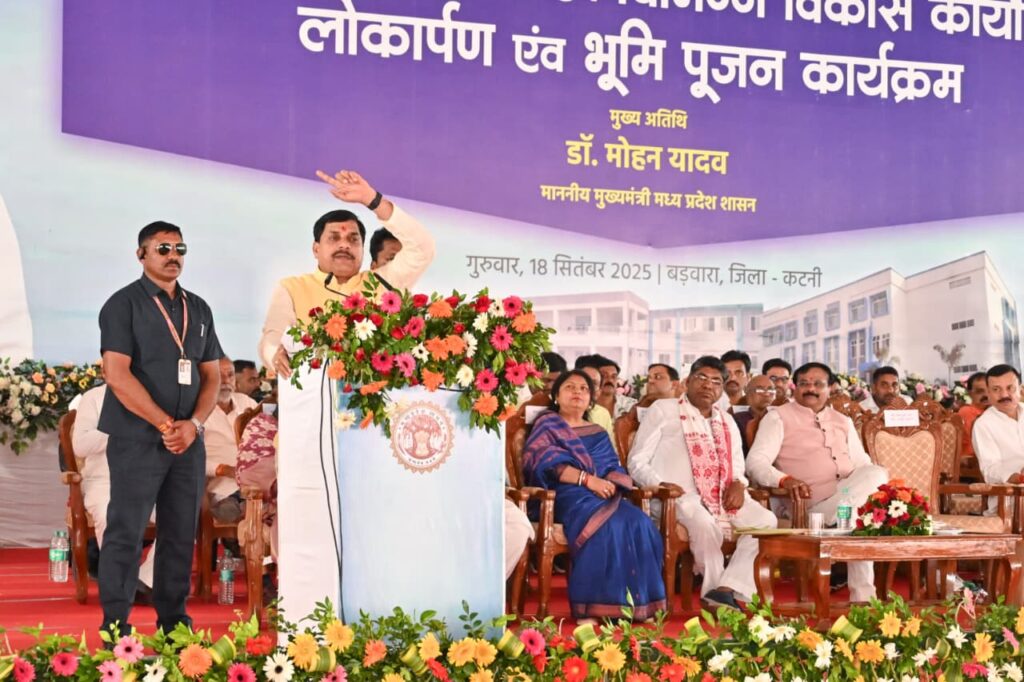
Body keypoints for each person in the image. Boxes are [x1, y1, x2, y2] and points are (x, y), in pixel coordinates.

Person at [97, 220, 223, 636]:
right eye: (163, 248)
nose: (173, 256)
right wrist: (167, 424)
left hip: (188, 442)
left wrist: (194, 425)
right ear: (141, 255)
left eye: (179, 249)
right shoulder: (123, 305)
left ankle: (174, 625)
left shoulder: (198, 308)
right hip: (137, 438)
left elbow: (212, 376)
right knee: (126, 532)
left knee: (180, 535)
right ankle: (116, 627)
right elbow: (116, 374)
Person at [629, 356, 777, 609]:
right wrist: (661, 484)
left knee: (766, 522)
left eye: (716, 382)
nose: (708, 385)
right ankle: (715, 596)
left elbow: (737, 465)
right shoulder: (664, 410)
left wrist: (738, 484)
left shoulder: (726, 420)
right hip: (677, 497)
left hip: (721, 496)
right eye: (702, 378)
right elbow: (636, 461)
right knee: (704, 523)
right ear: (687, 381)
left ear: (722, 389)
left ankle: (726, 588)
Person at [261, 170, 435, 376]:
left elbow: (423, 249)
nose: (344, 245)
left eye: (353, 239)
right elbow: (273, 337)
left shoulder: (383, 282)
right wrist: (275, 355)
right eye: (334, 238)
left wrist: (372, 200)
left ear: (362, 249)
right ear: (316, 249)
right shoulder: (291, 288)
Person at [522, 370, 666, 620]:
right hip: (565, 494)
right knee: (604, 525)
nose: (577, 392)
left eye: (584, 389)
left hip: (603, 493)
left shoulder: (598, 431)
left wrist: (610, 483)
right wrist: (588, 480)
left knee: (639, 522)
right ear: (556, 395)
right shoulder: (548, 425)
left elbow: (612, 466)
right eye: (570, 387)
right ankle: (593, 607)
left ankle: (639, 605)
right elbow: (545, 463)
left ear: (591, 399)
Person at [746, 362, 888, 603]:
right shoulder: (778, 417)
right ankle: (864, 599)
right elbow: (755, 462)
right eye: (804, 383)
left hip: (844, 498)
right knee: (859, 514)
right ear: (795, 387)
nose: (810, 389)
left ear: (830, 388)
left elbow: (862, 465)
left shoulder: (842, 420)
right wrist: (784, 479)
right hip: (807, 506)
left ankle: (863, 598)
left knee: (876, 475)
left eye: (818, 384)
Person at [71, 382, 155, 596]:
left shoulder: (154, 394)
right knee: (110, 515)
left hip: (149, 479)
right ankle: (122, 585)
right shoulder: (93, 398)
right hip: (104, 481)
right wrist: (119, 431)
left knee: (180, 515)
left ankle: (146, 582)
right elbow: (80, 446)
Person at [203, 357, 258, 523]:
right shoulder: (198, 409)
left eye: (230, 375)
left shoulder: (246, 403)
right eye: (219, 375)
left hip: (255, 484)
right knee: (235, 506)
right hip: (220, 489)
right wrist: (224, 469)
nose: (226, 381)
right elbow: (189, 459)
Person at [972, 365, 1024, 487]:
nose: (1004, 395)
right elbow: (990, 470)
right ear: (988, 393)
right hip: (1010, 493)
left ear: (1021, 389)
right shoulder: (983, 425)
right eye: (996, 389)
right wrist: (1018, 477)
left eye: (1010, 388)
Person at [732, 374, 776, 455]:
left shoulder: (779, 417)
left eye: (770, 390)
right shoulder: (737, 419)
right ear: (748, 392)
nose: (766, 394)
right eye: (760, 390)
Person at [959, 371, 989, 459]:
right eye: (980, 391)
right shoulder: (966, 411)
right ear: (970, 394)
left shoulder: (996, 411)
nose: (986, 395)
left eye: (989, 390)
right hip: (973, 460)